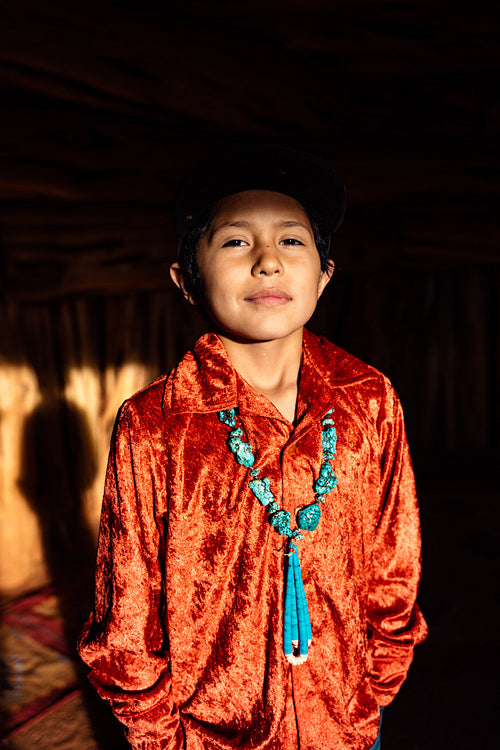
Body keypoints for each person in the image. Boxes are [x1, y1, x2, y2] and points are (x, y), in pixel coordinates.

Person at [78, 145, 427, 750]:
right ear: (186, 280)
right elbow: (127, 611)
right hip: (207, 737)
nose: (268, 262)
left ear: (324, 274)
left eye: (292, 242)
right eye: (236, 242)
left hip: (346, 722)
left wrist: (372, 689)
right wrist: (164, 736)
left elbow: (394, 562)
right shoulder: (154, 423)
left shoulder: (370, 399)